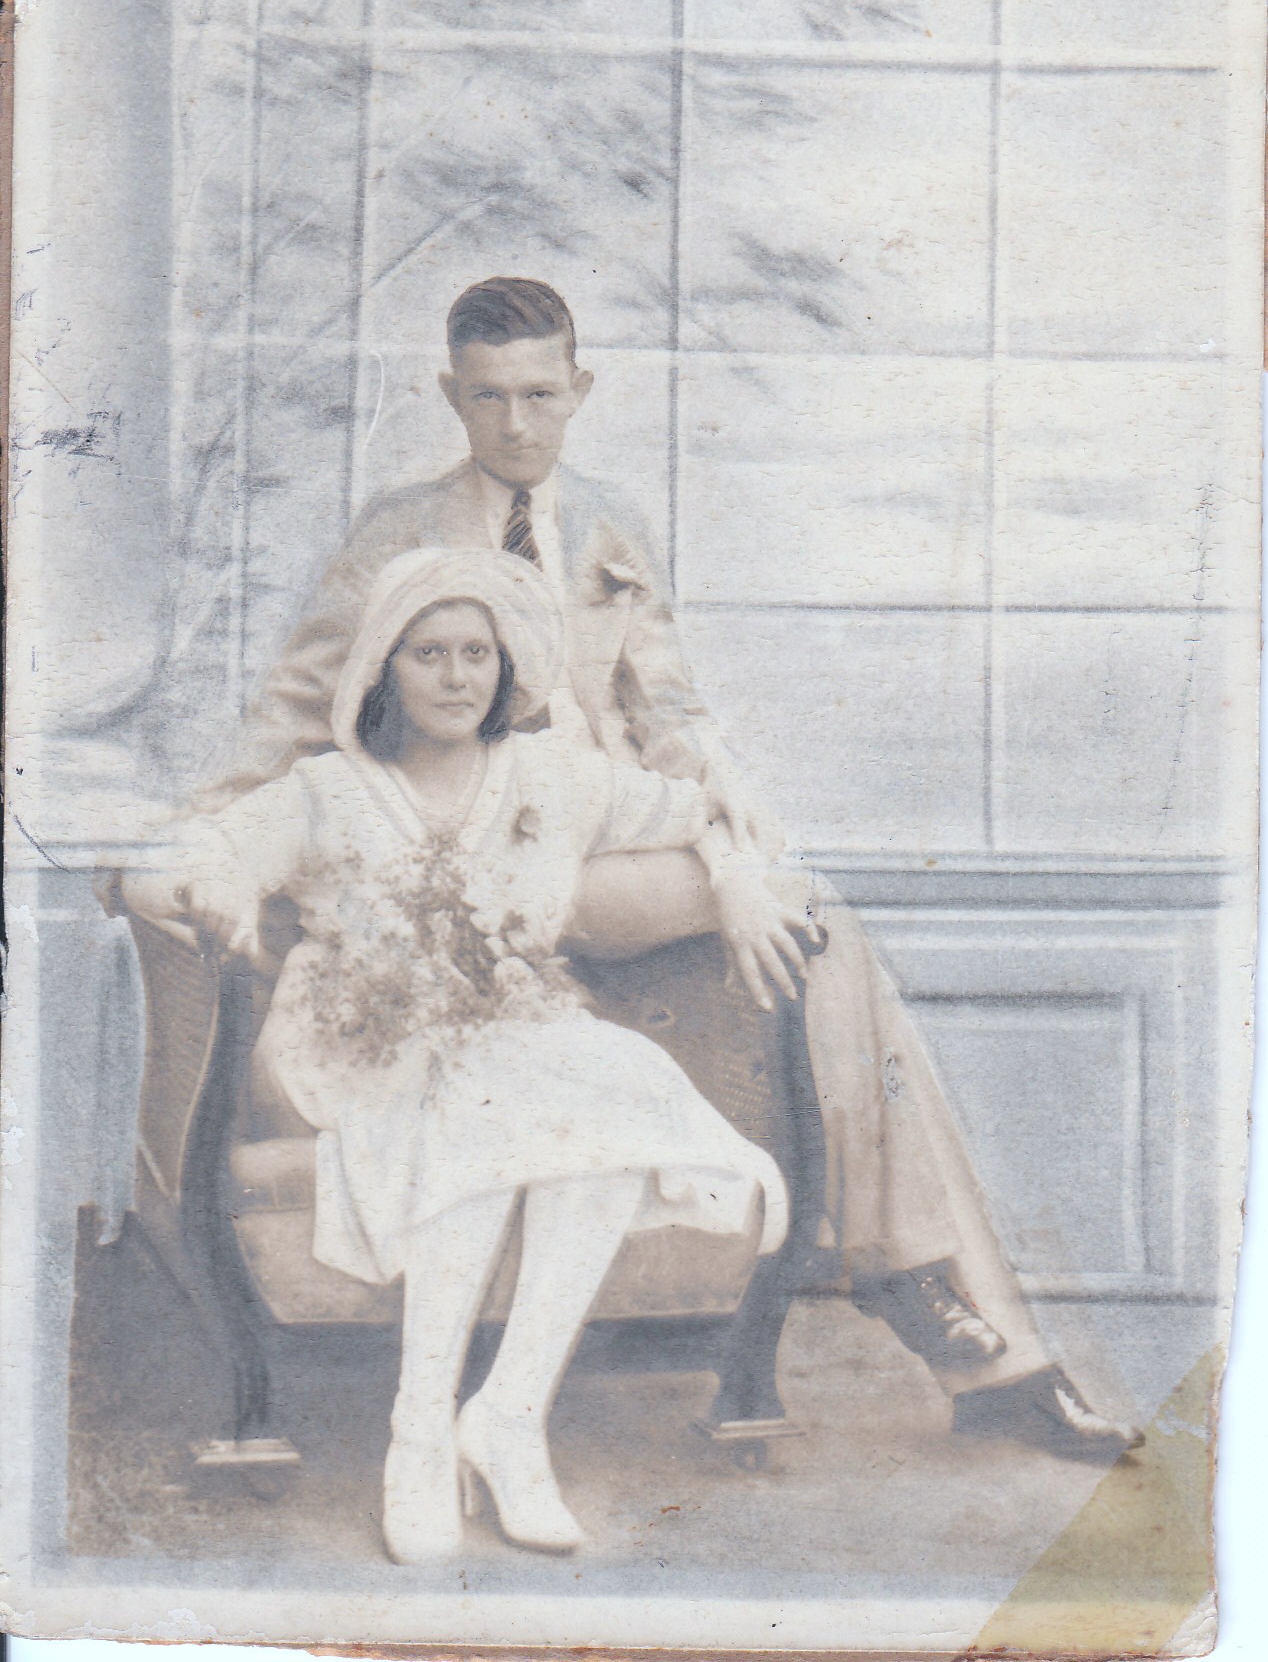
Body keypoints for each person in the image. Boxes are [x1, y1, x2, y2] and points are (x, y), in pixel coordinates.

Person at [128, 277, 1140, 1464]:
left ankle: (961, 1317)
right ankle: (923, 1288)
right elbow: (300, 710)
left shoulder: (609, 523)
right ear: (453, 395)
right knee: (802, 921)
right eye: (490, 398)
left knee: (816, 926)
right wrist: (188, 848)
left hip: (612, 828)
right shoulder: (397, 535)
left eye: (541, 396)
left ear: (580, 390)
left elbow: (669, 713)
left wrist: (734, 859)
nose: (517, 425)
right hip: (496, 858)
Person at [171, 547, 791, 1564]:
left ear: (505, 670)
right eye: (428, 654)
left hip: (507, 1030)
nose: (457, 677)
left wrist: (732, 878)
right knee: (496, 1100)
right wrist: (227, 887)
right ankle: (417, 1437)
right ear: (384, 667)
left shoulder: (552, 776)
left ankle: (505, 1417)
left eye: (476, 654)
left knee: (595, 1097)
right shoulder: (328, 790)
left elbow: (700, 811)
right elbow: (206, 851)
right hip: (358, 1037)